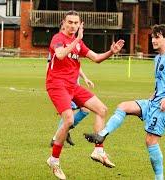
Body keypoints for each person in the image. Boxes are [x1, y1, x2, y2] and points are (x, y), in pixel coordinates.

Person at [84, 24, 165, 180]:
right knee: (123, 106)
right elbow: (164, 82)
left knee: (151, 141)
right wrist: (154, 94)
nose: (153, 40)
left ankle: (159, 178)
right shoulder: (158, 58)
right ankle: (102, 135)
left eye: (157, 37)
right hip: (154, 102)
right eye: (152, 37)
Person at [46, 10, 124, 179]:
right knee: (68, 119)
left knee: (101, 110)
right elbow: (59, 55)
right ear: (64, 23)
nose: (73, 25)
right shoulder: (58, 39)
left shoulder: (78, 43)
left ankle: (98, 151)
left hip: (72, 86)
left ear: (80, 24)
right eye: (70, 22)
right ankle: (54, 159)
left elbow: (96, 58)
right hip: (57, 85)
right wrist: (77, 40)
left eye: (76, 23)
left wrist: (111, 52)